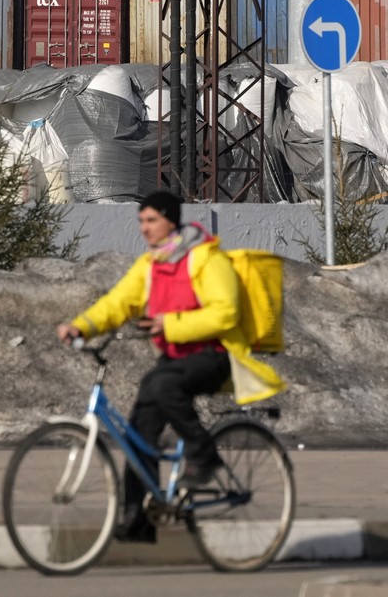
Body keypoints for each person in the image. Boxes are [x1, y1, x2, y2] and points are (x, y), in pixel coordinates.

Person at [56, 190, 284, 544]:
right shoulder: (151, 264)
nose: (144, 229)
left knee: (162, 386)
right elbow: (118, 302)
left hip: (216, 354)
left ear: (170, 220)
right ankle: (137, 517)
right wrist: (82, 326)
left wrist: (170, 324)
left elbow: (226, 313)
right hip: (176, 358)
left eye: (151, 220)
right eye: (141, 221)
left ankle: (203, 455)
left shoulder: (205, 259)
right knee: (139, 432)